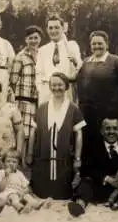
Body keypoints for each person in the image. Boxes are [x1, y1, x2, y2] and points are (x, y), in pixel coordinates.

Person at [31, 72, 85, 200]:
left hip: (64, 158)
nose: (56, 88)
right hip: (43, 157)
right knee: (41, 192)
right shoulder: (42, 108)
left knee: (63, 192)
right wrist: (29, 154)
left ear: (66, 86)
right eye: (53, 85)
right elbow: (34, 131)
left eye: (60, 85)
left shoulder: (73, 109)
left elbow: (79, 134)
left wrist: (77, 158)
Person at [77, 30, 118, 147]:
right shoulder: (86, 62)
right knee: (92, 144)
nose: (97, 46)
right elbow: (81, 84)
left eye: (100, 43)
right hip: (89, 113)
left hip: (111, 111)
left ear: (107, 45)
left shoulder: (116, 62)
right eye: (94, 44)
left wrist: (112, 99)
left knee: (111, 144)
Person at [9, 25, 42, 166]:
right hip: (23, 99)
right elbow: (13, 80)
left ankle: (30, 160)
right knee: (23, 132)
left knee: (34, 130)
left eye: (36, 38)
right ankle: (19, 161)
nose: (33, 41)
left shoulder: (43, 55)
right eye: (30, 38)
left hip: (38, 99)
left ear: (40, 39)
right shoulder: (20, 57)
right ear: (26, 39)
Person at [35, 14, 82, 104]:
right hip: (47, 92)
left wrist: (76, 62)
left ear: (63, 28)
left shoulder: (71, 46)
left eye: (57, 27)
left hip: (65, 91)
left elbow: (79, 67)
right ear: (47, 29)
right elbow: (39, 73)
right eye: (51, 28)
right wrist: (41, 90)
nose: (53, 31)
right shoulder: (43, 50)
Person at [0, 149, 51, 214]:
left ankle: (37, 205)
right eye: (8, 161)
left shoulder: (19, 174)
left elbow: (26, 187)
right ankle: (20, 208)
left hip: (19, 194)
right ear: (4, 162)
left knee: (28, 196)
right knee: (13, 196)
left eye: (14, 162)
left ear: (18, 164)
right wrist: (6, 176)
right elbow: (0, 188)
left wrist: (23, 192)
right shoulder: (1, 173)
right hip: (6, 195)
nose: (11, 164)